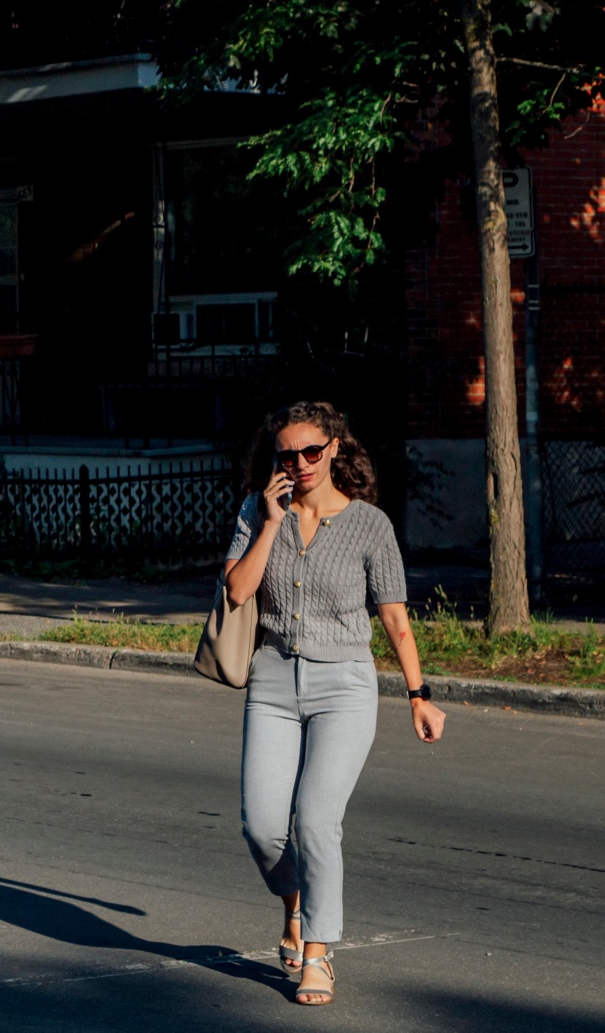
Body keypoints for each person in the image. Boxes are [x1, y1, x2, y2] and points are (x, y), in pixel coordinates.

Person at [223, 401, 444, 1007]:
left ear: (335, 448)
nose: (300, 464)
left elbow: (395, 619)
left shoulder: (370, 524)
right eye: (287, 455)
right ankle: (294, 900)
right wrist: (270, 521)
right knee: (263, 826)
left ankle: (317, 955)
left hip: (344, 686)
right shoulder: (256, 510)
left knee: (316, 819)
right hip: (271, 681)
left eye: (311, 452)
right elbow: (239, 591)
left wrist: (418, 696)